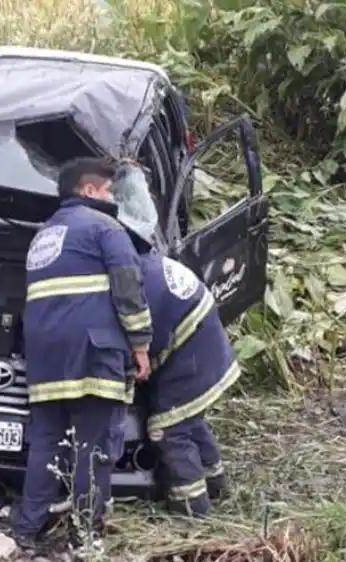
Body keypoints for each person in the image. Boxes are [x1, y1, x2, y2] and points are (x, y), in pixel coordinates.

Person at [13, 157, 153, 548]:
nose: (113, 198)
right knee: (95, 445)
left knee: (45, 443)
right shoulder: (106, 227)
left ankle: (26, 529)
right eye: (109, 190)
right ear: (89, 191)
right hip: (93, 353)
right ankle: (86, 534)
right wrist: (141, 345)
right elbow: (129, 288)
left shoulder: (43, 235)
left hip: (44, 357)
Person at [112, 161, 239, 517]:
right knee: (189, 419)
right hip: (205, 345)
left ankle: (191, 509)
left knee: (168, 427)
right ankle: (217, 484)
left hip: (194, 353)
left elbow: (142, 337)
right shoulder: (145, 260)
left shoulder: (130, 276)